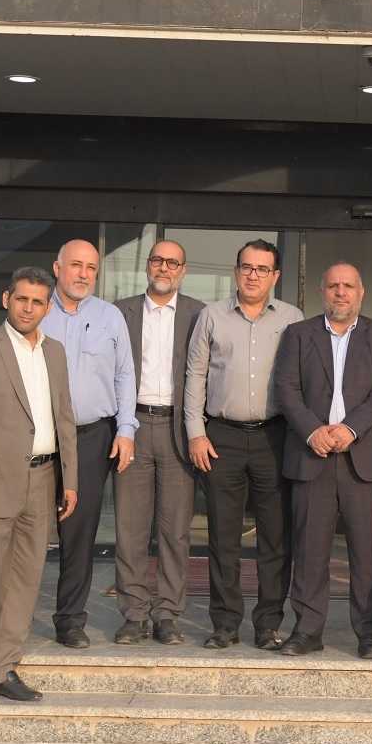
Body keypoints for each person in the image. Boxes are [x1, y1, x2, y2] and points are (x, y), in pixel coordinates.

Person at [0, 266, 79, 704]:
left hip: (43, 480)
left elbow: (65, 418)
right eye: (21, 299)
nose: (28, 308)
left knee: (24, 580)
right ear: (7, 299)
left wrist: (70, 479)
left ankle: (4, 667)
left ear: (48, 307)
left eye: (38, 302)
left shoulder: (55, 352)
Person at [272, 263, 372, 658]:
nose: (340, 292)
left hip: (362, 458)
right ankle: (307, 630)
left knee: (366, 551)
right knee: (310, 550)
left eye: (348, 286)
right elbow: (285, 388)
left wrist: (351, 428)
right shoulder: (298, 334)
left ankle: (370, 632)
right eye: (333, 286)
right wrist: (313, 430)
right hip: (312, 454)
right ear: (322, 293)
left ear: (361, 292)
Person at [184, 239, 305, 650]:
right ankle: (225, 623)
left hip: (276, 437)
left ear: (275, 276)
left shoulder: (292, 318)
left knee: (276, 537)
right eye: (247, 267)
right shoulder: (211, 316)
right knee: (223, 537)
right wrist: (196, 432)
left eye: (262, 269)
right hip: (222, 437)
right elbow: (195, 375)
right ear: (236, 271)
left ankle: (268, 623)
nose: (254, 275)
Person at [41, 239, 139, 649]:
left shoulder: (109, 316)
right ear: (57, 267)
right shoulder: (36, 310)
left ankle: (70, 620)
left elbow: (124, 374)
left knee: (79, 535)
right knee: (25, 530)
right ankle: (7, 616)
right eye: (76, 265)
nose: (83, 274)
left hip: (91, 437)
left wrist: (126, 428)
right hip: (39, 438)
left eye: (92, 268)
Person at [112, 240, 206, 645]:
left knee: (175, 531)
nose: (163, 268)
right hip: (132, 426)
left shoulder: (200, 314)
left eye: (172, 262)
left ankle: (168, 614)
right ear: (147, 266)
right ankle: (134, 614)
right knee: (129, 529)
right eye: (157, 260)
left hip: (178, 429)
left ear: (183, 270)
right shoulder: (120, 312)